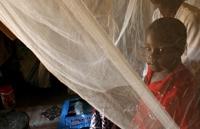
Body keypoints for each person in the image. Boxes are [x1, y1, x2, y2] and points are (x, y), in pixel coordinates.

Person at [133, 17, 200, 129]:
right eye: (148, 48)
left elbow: (188, 123)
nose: (152, 56)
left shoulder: (186, 86)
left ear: (179, 50)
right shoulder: (152, 71)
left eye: (160, 50)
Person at [144, 0, 200, 84]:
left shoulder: (190, 18)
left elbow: (194, 63)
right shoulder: (157, 14)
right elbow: (153, 50)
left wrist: (162, 78)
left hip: (181, 81)